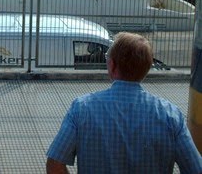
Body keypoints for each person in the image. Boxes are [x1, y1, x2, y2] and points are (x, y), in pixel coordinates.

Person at [46, 32, 202, 174]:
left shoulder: (82, 108)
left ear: (112, 65)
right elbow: (195, 168)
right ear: (146, 69)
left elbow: (54, 164)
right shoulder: (171, 116)